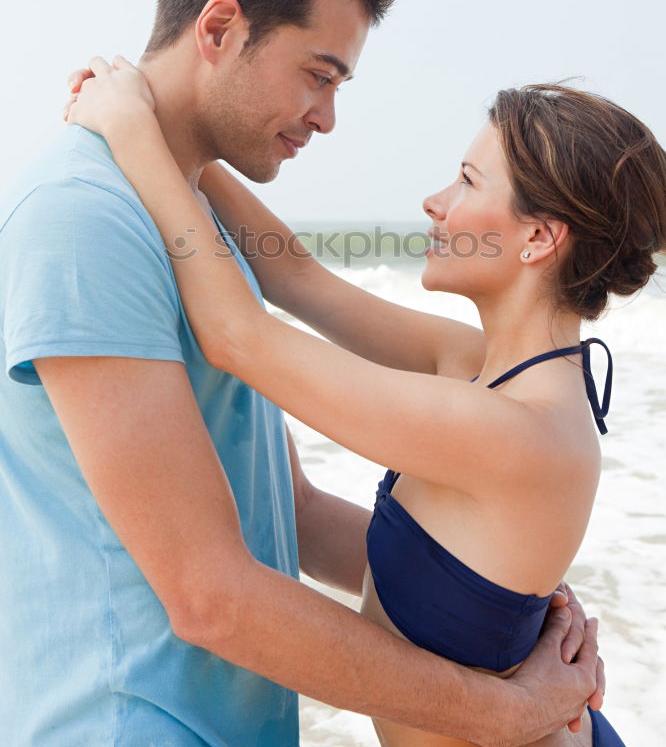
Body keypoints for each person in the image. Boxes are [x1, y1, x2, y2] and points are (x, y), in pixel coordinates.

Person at [0, 0, 600, 747]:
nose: (326, 116)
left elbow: (296, 509)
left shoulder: (204, 244)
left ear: (542, 238)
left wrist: (511, 607)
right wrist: (511, 694)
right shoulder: (84, 221)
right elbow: (210, 593)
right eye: (319, 74)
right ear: (218, 30)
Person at [64, 66, 666, 747]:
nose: (434, 203)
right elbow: (297, 278)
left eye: (468, 182)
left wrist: (131, 131)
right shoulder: (481, 368)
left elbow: (240, 336)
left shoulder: (512, 430)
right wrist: (178, 138)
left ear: (538, 239)